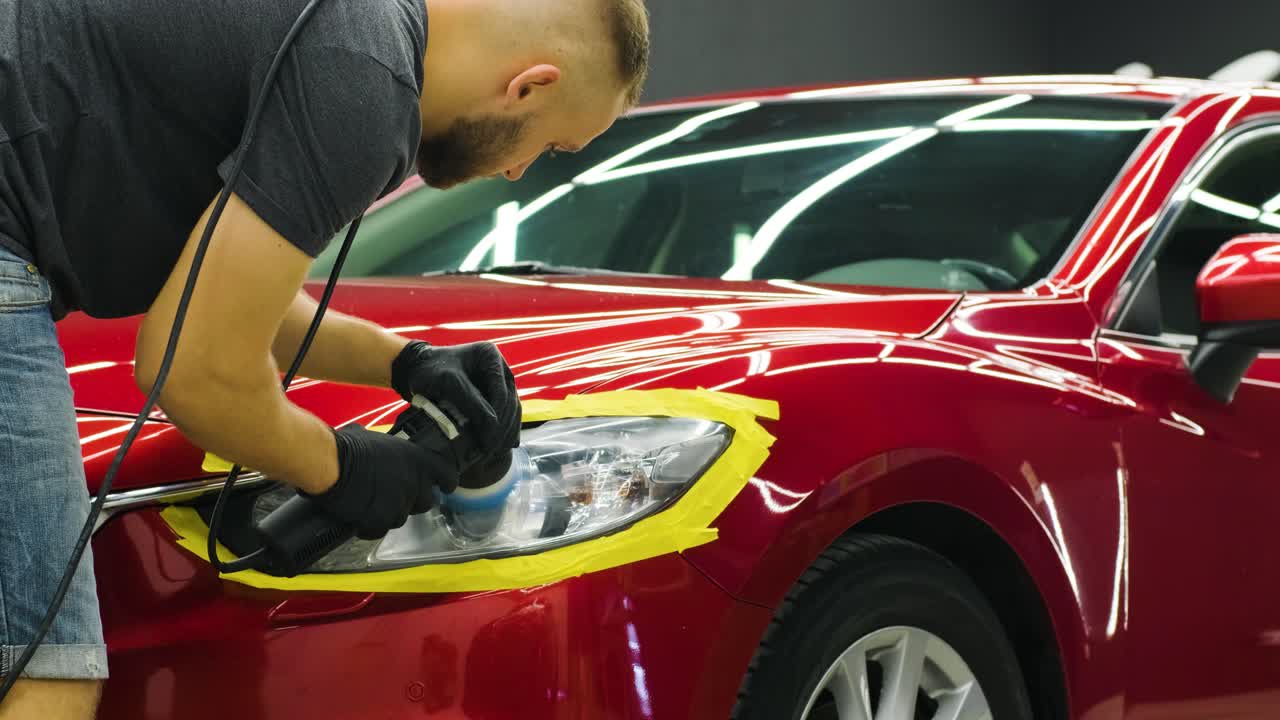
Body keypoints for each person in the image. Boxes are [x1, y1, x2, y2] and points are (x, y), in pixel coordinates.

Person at [0, 0, 651, 715]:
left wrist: (407, 363)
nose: (517, 172)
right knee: (46, 672)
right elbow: (189, 367)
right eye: (550, 148)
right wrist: (343, 469)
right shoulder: (367, 79)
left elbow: (222, 297)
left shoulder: (344, 32)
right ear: (527, 86)